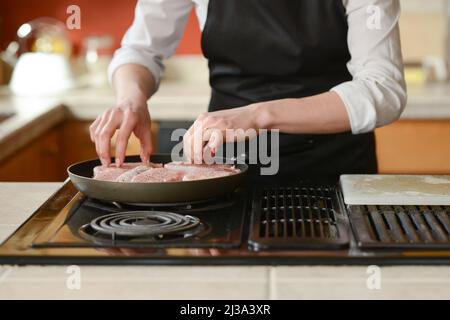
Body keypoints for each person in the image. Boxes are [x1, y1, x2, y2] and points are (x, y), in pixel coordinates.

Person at [90, 0, 406, 179]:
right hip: (224, 167)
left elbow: (382, 87)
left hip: (334, 170)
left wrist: (259, 115)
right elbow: (141, 50)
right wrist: (130, 99)